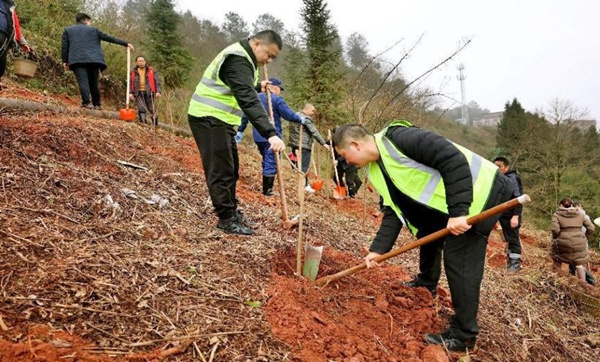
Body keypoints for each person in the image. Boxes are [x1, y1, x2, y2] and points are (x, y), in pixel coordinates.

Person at [333, 120, 512, 351]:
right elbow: (392, 211)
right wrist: (378, 249)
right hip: (453, 205)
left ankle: (464, 336)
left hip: (483, 193)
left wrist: (459, 211)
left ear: (355, 145)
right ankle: (426, 284)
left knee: (460, 259)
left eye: (344, 155)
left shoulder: (399, 139)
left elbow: (452, 159)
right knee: (428, 230)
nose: (345, 161)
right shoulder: (377, 170)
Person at [187, 30, 285, 236]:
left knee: (231, 169)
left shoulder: (245, 60)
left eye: (272, 59)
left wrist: (258, 85)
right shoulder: (238, 59)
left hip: (220, 121)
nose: (268, 61)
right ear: (257, 44)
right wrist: (271, 133)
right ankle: (226, 220)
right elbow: (247, 98)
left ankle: (232, 212)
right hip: (208, 117)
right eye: (269, 55)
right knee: (221, 170)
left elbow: (238, 84)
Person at [236, 78, 306, 196]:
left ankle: (267, 187)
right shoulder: (276, 99)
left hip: (258, 136)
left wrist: (241, 130)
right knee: (271, 161)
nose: (279, 92)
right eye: (279, 89)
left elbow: (246, 115)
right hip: (272, 137)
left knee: (266, 159)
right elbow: (288, 114)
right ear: (275, 88)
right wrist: (300, 119)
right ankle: (267, 191)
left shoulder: (255, 98)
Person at [61, 12, 134, 110]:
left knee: (83, 82)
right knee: (93, 82)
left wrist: (65, 61)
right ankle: (97, 104)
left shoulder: (68, 30)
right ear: (86, 20)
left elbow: (65, 47)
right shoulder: (94, 30)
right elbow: (109, 38)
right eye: (89, 21)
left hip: (77, 60)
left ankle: (87, 103)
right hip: (94, 60)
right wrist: (126, 43)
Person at [288, 103, 330, 193]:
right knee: (304, 167)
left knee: (300, 165)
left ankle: (301, 182)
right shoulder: (306, 119)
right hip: (304, 145)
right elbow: (314, 132)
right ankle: (304, 186)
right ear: (306, 109)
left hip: (295, 144)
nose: (313, 113)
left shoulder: (294, 115)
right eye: (312, 111)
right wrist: (324, 143)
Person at [551, 197, 594, 283]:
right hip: (579, 241)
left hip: (562, 242)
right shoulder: (580, 214)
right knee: (579, 263)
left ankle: (556, 280)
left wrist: (558, 237)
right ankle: (583, 283)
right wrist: (585, 237)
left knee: (557, 259)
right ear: (572, 205)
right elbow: (591, 228)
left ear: (560, 205)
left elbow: (555, 230)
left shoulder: (556, 215)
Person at [493, 157, 524, 272]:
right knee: (508, 238)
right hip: (503, 214)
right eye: (495, 166)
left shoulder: (512, 178)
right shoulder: (500, 178)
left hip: (511, 215)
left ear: (506, 167)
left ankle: (515, 265)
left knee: (513, 238)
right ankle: (510, 262)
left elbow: (518, 198)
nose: (497, 169)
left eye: (499, 167)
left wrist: (516, 216)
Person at [0, 0, 30, 91]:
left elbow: (15, 27)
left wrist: (23, 43)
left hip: (4, 36)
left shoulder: (10, 7)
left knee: (1, 64)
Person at [567, 201, 596, 285]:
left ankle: (590, 281)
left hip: (580, 242)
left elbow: (590, 228)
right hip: (576, 241)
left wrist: (584, 236)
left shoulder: (583, 217)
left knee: (580, 263)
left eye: (576, 208)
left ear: (579, 207)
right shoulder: (577, 216)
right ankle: (573, 277)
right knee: (574, 261)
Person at [129, 55, 161, 125]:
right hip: (138, 92)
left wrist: (158, 91)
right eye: (139, 61)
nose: (141, 63)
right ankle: (143, 124)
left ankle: (155, 125)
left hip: (149, 92)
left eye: (142, 61)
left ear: (145, 62)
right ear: (136, 62)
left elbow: (157, 82)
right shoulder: (133, 72)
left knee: (151, 109)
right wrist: (130, 92)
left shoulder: (152, 71)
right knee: (141, 108)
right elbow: (131, 83)